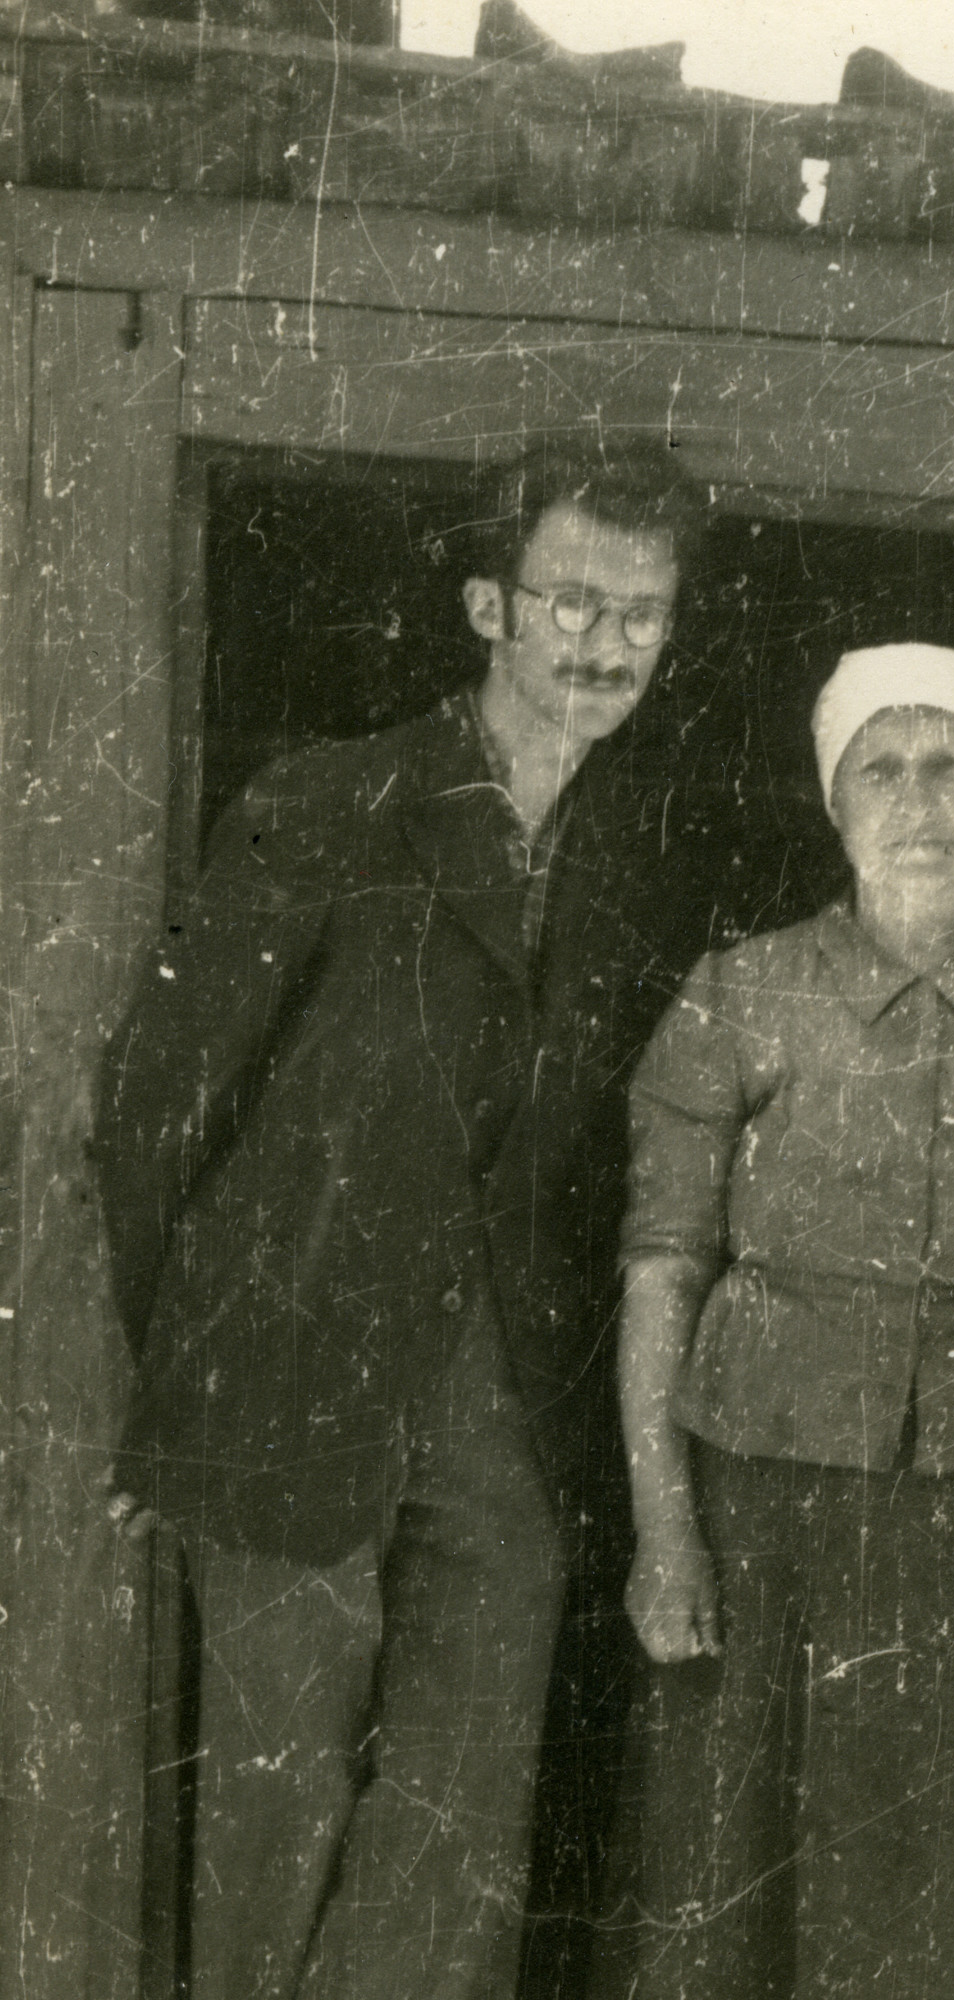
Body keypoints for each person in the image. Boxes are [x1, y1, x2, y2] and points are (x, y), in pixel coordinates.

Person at [93, 441, 713, 2000]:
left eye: (642, 613)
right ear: (488, 605)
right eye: (573, 600)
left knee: (458, 1817)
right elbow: (159, 1104)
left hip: (506, 1407)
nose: (604, 644)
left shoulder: (639, 869)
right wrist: (182, 1375)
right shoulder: (331, 799)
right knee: (277, 1800)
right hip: (287, 1378)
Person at [602, 643, 954, 1998]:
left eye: (949, 764)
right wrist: (665, 1533)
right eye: (882, 769)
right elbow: (662, 1274)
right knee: (726, 1866)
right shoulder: (739, 994)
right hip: (761, 1507)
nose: (919, 799)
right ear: (834, 805)